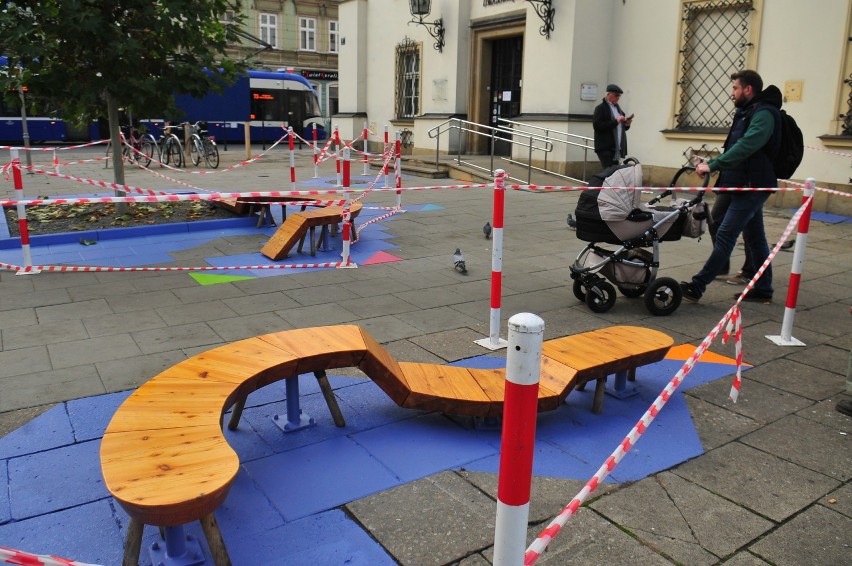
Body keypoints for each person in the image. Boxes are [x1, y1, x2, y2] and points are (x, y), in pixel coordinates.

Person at [681, 70, 780, 304]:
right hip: (740, 183)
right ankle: (763, 289)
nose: (732, 92)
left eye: (735, 88)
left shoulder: (764, 114)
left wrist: (713, 165)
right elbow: (736, 148)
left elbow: (747, 146)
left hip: (751, 186)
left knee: (726, 233)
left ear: (748, 89)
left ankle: (697, 285)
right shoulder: (747, 112)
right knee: (756, 238)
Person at [593, 84, 634, 168]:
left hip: (616, 147)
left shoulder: (619, 110)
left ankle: (605, 181)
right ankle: (602, 181)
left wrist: (627, 124)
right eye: (616, 95)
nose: (618, 98)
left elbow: (621, 129)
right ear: (608, 95)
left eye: (619, 96)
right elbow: (597, 126)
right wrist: (615, 121)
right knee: (609, 171)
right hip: (605, 147)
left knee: (614, 172)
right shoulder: (600, 108)